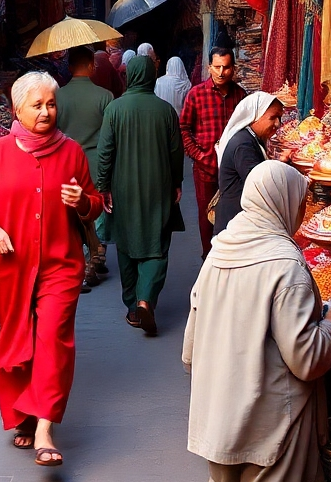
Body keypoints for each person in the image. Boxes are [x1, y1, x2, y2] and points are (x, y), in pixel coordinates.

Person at [183, 161, 331, 482]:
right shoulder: (285, 265)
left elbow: (190, 349)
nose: (301, 211)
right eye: (300, 202)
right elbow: (307, 359)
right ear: (282, 202)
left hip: (218, 412)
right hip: (270, 422)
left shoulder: (221, 249)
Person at [0, 71, 104, 468]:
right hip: (13, 267)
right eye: (37, 105)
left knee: (54, 339)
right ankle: (23, 416)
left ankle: (44, 426)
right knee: (19, 342)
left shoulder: (71, 152)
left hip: (61, 265)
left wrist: (82, 202)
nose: (46, 112)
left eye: (51, 104)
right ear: (17, 109)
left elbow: (95, 203)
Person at [96, 55, 184, 337]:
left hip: (123, 187)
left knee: (126, 242)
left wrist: (103, 186)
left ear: (129, 76)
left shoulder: (114, 109)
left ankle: (133, 306)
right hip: (159, 186)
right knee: (157, 242)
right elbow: (176, 152)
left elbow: (105, 152)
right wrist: (177, 183)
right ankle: (146, 298)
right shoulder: (166, 111)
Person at [179, 46, 247, 257]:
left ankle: (230, 259)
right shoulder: (196, 94)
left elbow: (247, 130)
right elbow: (184, 128)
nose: (221, 72)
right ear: (209, 67)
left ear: (233, 68)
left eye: (226, 67)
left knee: (234, 215)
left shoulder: (240, 96)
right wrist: (198, 155)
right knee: (206, 216)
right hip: (206, 168)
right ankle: (209, 258)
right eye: (217, 67)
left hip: (233, 170)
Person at [56, 46, 114, 286]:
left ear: (69, 67)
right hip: (95, 160)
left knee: (71, 211)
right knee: (94, 208)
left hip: (64, 161)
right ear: (92, 66)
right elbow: (110, 136)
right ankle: (95, 256)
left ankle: (81, 258)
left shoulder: (57, 97)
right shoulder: (105, 96)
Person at [213, 93, 283, 235]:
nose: (278, 124)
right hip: (235, 224)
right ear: (255, 117)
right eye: (273, 117)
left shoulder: (250, 138)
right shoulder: (243, 145)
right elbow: (260, 185)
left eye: (279, 118)